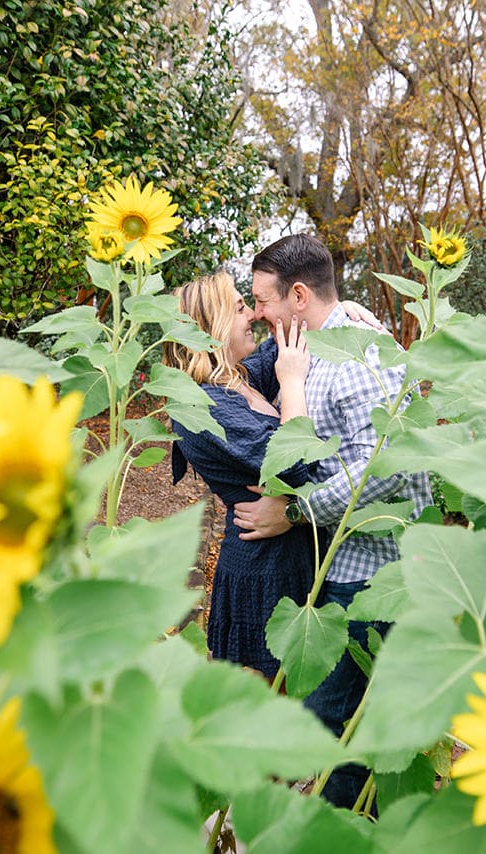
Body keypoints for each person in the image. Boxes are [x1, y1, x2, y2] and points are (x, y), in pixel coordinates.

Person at [232, 233, 434, 809]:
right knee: (338, 731)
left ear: (298, 295)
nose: (257, 312)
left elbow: (385, 472)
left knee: (337, 732)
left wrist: (294, 512)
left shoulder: (359, 356)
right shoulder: (315, 345)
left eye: (262, 299)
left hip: (374, 572)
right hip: (343, 565)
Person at [162, 271, 322, 679]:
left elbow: (298, 333)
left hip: (288, 558)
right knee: (261, 703)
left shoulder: (238, 379)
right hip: (261, 574)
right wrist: (291, 383)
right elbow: (296, 462)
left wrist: (343, 312)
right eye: (239, 307)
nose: (252, 315)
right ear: (210, 327)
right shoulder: (202, 406)